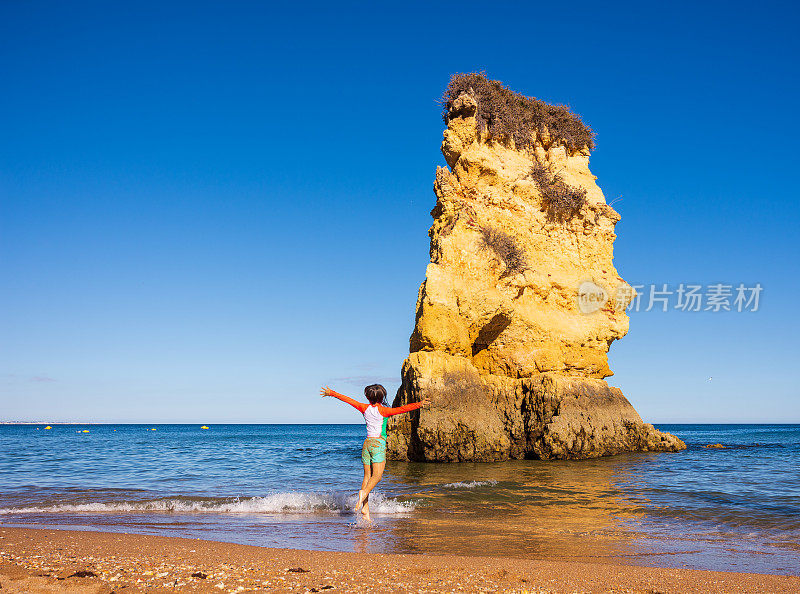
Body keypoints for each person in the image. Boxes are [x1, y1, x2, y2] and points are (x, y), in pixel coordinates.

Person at [320, 384, 430, 522]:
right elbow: (403, 409)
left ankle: (365, 509)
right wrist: (419, 404)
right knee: (377, 477)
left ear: (367, 397)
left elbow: (348, 400)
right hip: (378, 445)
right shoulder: (384, 411)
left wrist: (332, 393)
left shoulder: (363, 408)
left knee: (367, 477)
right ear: (382, 397)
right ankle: (364, 493)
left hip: (366, 444)